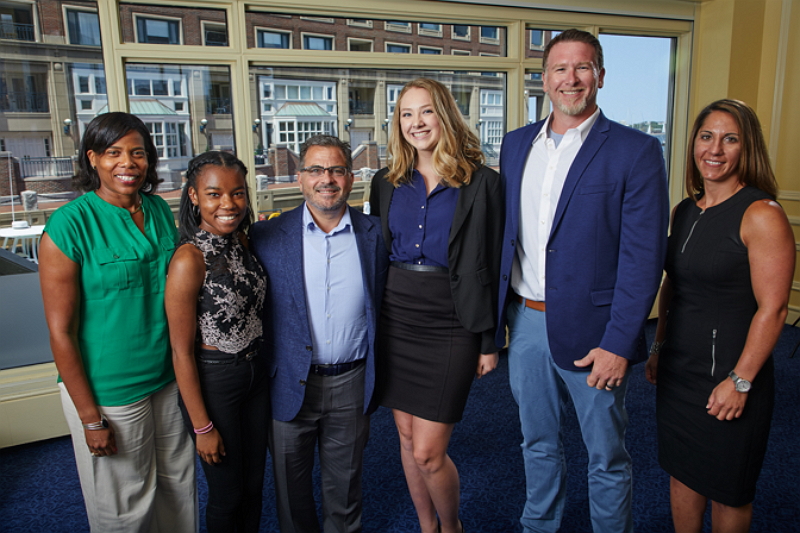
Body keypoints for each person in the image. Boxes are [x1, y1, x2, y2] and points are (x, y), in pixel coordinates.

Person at [496, 29, 669, 533]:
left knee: (606, 455)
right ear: (544, 79)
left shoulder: (636, 151)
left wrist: (619, 342)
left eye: (583, 67)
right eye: (560, 69)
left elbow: (643, 258)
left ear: (600, 77)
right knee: (537, 443)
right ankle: (540, 526)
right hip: (525, 324)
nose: (571, 78)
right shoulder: (514, 145)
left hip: (598, 334)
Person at [38, 112, 196, 533]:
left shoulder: (160, 209)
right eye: (113, 153)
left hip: (167, 378)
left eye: (138, 153)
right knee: (125, 505)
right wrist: (90, 417)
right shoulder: (69, 225)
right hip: (110, 391)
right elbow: (60, 331)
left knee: (179, 487)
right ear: (92, 159)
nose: (128, 163)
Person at [645, 99, 794, 533]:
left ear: (747, 149)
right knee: (683, 472)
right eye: (706, 136)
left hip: (732, 372)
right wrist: (659, 346)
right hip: (679, 370)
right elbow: (673, 284)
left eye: (730, 139)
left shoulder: (761, 214)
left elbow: (775, 307)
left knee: (729, 489)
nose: (715, 149)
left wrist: (740, 380)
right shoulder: (685, 210)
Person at [368, 78, 503, 533]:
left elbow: (494, 261)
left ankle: (451, 527)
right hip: (395, 318)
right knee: (406, 438)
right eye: (407, 114)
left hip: (451, 321)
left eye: (426, 112)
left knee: (429, 450)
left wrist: (489, 339)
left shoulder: (483, 183)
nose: (416, 123)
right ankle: (427, 527)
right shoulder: (385, 184)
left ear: (444, 115)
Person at [250, 135, 388, 533]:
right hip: (289, 382)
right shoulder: (267, 237)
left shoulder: (377, 236)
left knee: (345, 491)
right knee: (291, 497)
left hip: (351, 381)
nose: (326, 178)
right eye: (315, 169)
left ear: (350, 178)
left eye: (336, 170)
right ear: (299, 178)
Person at [165, 151, 269, 533]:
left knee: (255, 486)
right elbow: (180, 351)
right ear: (193, 196)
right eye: (214, 194)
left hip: (256, 376)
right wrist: (202, 427)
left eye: (237, 193)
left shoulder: (242, 240)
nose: (228, 204)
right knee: (227, 494)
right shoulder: (189, 259)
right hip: (216, 381)